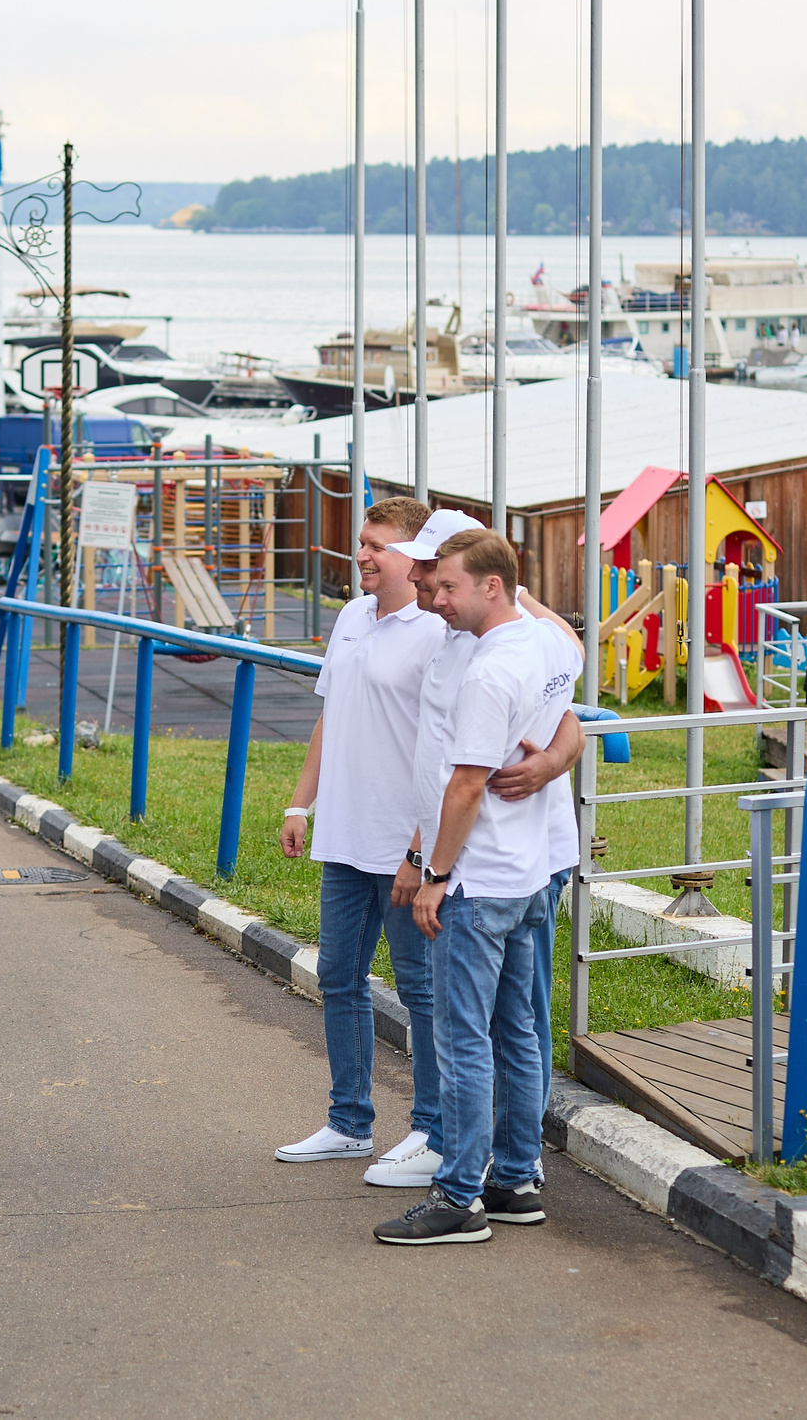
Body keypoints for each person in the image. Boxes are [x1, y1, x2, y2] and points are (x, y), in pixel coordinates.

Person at [272, 502, 579, 1188]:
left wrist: (425, 860)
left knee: (454, 1011)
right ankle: (358, 1124)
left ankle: (451, 1152)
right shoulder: (367, 620)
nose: (366, 556)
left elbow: (474, 764)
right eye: (364, 544)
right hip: (367, 835)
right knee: (346, 979)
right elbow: (340, 716)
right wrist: (303, 801)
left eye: (380, 546)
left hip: (444, 856)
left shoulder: (470, 634)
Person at [375, 529, 582, 1248]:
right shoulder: (548, 645)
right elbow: (566, 723)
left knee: (464, 1039)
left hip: (480, 878)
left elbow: (465, 783)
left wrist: (433, 874)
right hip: (526, 874)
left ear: (492, 586)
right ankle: (516, 1179)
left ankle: (460, 1195)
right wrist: (556, 757)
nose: (438, 596)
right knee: (518, 1030)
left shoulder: (491, 671)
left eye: (449, 585)